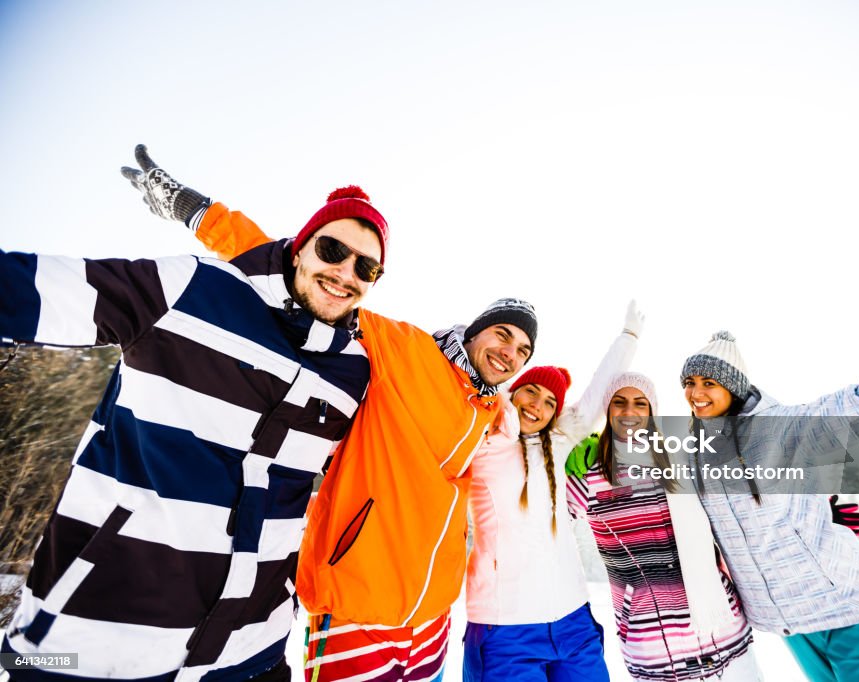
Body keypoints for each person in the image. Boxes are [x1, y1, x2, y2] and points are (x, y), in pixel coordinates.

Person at [119, 145, 538, 682]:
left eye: (523, 351)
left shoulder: (488, 411)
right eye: (503, 334)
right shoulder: (406, 351)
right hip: (355, 610)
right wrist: (196, 211)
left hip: (431, 620)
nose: (510, 352)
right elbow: (311, 277)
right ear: (477, 329)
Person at [1, 169, 390, 679]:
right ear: (298, 248)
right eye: (332, 251)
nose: (346, 273)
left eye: (367, 268)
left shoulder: (353, 371)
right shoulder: (194, 289)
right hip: (89, 641)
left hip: (251, 652)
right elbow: (33, 291)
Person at [671, 245, 859, 681]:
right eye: (689, 382)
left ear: (735, 388)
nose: (695, 391)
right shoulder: (693, 454)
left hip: (853, 611)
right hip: (793, 626)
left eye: (709, 382)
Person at [462, 301, 643, 681]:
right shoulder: (485, 439)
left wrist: (629, 337)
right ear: (513, 391)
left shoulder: (557, 442)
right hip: (504, 628)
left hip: (573, 619)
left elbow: (597, 392)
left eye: (549, 402)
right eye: (531, 392)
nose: (537, 406)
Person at [566, 373, 760, 681]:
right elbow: (543, 523)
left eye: (640, 404)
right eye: (619, 402)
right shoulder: (589, 473)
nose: (629, 412)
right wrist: (561, 449)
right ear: (607, 409)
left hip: (724, 632)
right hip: (654, 646)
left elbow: (743, 499)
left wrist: (823, 509)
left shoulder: (684, 457)